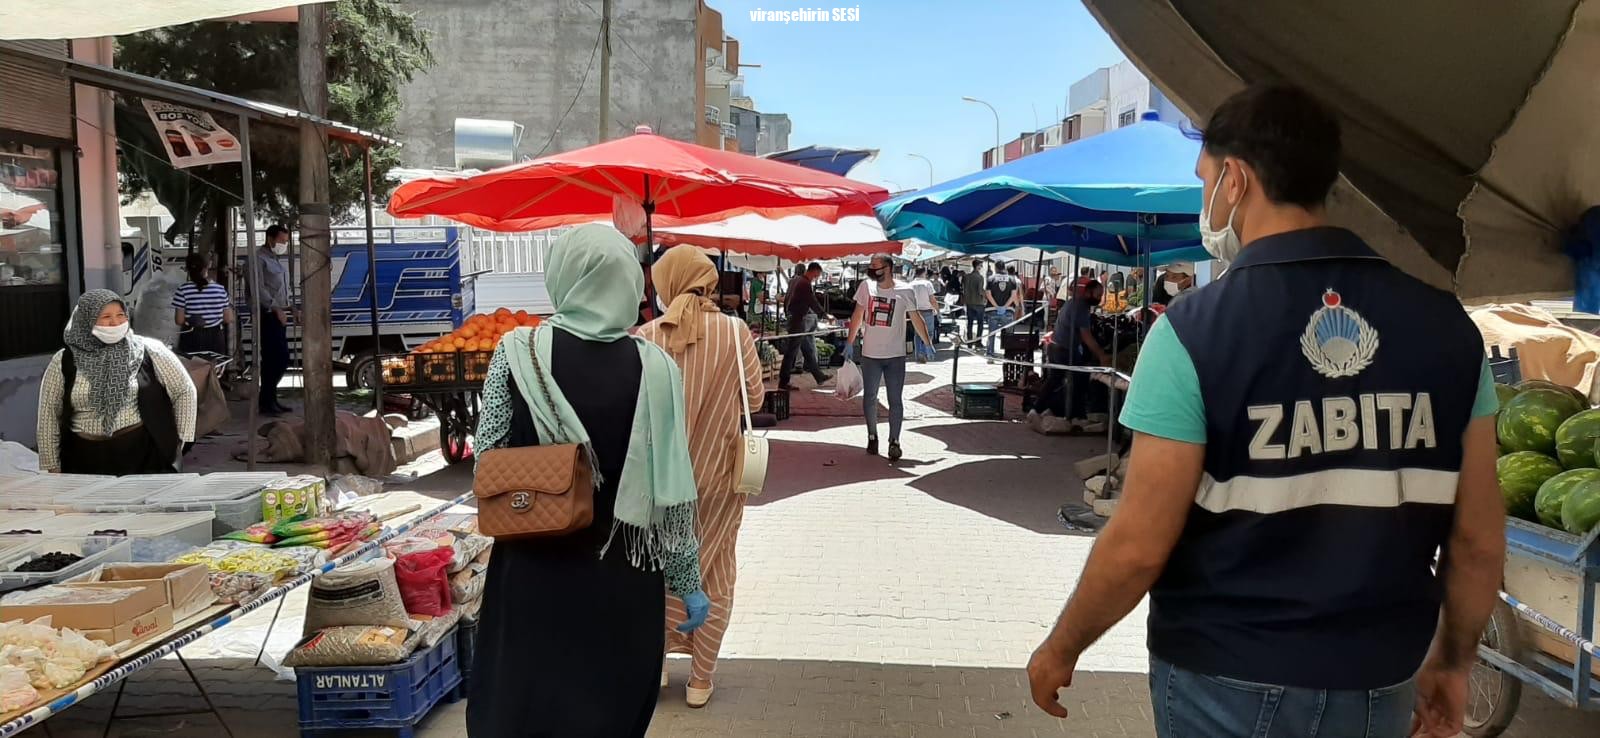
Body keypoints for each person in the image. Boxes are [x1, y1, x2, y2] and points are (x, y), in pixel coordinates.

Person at [1025, 85, 1504, 738]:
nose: (1204, 200)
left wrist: (1063, 646)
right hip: (1377, 680)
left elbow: (1138, 543)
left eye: (1203, 181)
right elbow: (1476, 540)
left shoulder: (1192, 332)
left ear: (1235, 180)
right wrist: (1452, 662)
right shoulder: (1446, 328)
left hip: (1223, 677)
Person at [468, 224, 711, 737]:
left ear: (563, 278)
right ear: (628, 282)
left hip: (533, 567)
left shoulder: (516, 353)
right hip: (622, 579)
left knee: (526, 710)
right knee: (612, 713)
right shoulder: (657, 368)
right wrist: (688, 584)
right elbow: (674, 498)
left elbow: (486, 461)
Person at [637, 246, 765, 709]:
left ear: (667, 281)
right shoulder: (735, 333)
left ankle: (656, 672)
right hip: (719, 478)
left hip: (658, 482)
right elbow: (755, 400)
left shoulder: (646, 336)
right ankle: (700, 679)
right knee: (714, 570)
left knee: (657, 570)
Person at [36, 290, 197, 475]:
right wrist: (52, 464)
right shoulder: (64, 361)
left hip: (142, 456)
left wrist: (181, 441)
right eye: (106, 317)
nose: (115, 323)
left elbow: (184, 389)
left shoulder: (148, 350)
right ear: (85, 320)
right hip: (83, 459)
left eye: (121, 315)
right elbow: (49, 412)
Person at [844, 253, 933, 461]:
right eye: (871, 265)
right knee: (870, 397)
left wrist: (927, 342)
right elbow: (858, 314)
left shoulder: (905, 290)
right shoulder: (866, 287)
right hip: (870, 355)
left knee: (895, 400)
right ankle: (872, 435)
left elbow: (916, 318)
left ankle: (894, 441)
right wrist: (850, 341)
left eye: (876, 265)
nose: (872, 269)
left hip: (895, 355)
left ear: (888, 268)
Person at [1028, 279, 1110, 428]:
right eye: (1098, 295)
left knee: (1056, 380)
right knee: (1080, 379)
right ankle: (1076, 416)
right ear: (1088, 292)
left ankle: (1038, 409)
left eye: (1101, 295)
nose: (1099, 299)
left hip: (1057, 346)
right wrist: (1101, 354)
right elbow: (1086, 335)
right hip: (1064, 349)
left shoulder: (1074, 302)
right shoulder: (1081, 307)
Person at [256, 225, 293, 415]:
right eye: (281, 241)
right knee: (275, 358)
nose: (283, 245)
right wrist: (276, 308)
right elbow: (258, 289)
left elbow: (278, 289)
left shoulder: (274, 259)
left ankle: (271, 398)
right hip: (267, 314)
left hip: (277, 313)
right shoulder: (258, 259)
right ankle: (266, 401)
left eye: (285, 242)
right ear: (270, 238)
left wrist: (289, 307)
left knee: (280, 358)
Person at [778, 262, 831, 389]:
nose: (816, 278)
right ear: (814, 271)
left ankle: (819, 376)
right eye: (817, 275)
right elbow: (812, 301)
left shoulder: (794, 280)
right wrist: (824, 315)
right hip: (797, 320)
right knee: (791, 352)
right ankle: (783, 382)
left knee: (806, 349)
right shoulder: (804, 283)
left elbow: (787, 299)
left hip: (794, 318)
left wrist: (787, 313)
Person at [172, 252, 235, 355]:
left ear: (187, 270)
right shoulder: (220, 290)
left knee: (194, 369)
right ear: (206, 268)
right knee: (215, 368)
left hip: (192, 337)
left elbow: (179, 320)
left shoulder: (182, 290)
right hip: (215, 338)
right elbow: (228, 318)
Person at [984, 263, 1022, 356]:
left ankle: (990, 353)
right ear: (1004, 268)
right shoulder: (1012, 279)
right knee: (1008, 333)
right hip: (1008, 310)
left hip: (992, 309)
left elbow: (988, 294)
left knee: (991, 333)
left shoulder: (990, 279)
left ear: (996, 268)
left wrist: (997, 306)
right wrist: (1005, 306)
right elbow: (1013, 296)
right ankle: (1008, 354)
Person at [908, 268, 939, 362]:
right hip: (927, 310)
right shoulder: (927, 284)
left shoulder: (910, 284)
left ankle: (918, 354)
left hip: (915, 311)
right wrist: (937, 309)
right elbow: (932, 299)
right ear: (924, 273)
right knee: (929, 333)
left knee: (917, 334)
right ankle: (926, 352)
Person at [961, 260, 987, 341]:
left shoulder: (966, 277)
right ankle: (978, 341)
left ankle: (969, 340)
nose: (981, 267)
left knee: (970, 323)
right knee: (980, 323)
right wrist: (985, 296)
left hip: (969, 302)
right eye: (981, 265)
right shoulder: (980, 277)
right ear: (977, 266)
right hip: (979, 302)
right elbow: (980, 291)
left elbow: (963, 289)